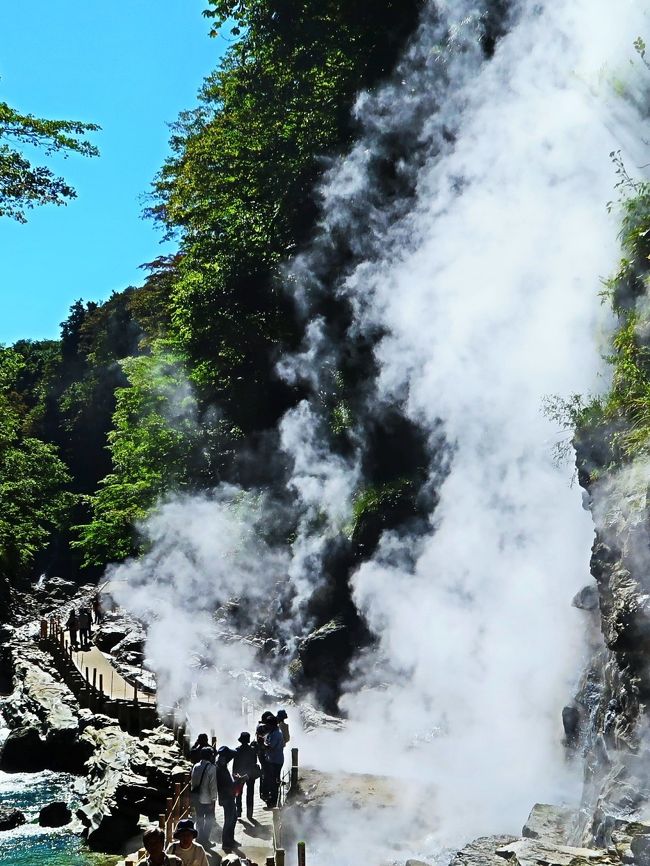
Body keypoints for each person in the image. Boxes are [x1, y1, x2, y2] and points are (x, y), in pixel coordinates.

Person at [191, 745, 218, 847]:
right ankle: (205, 840)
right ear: (210, 756)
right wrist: (213, 800)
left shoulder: (196, 766)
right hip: (207, 799)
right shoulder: (211, 768)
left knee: (199, 819)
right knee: (210, 820)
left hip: (197, 798)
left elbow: (193, 783)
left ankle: (199, 838)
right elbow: (213, 786)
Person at [215, 745, 238, 851]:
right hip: (226, 798)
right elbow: (227, 786)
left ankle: (231, 839)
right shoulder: (220, 769)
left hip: (228, 797)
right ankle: (226, 843)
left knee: (233, 818)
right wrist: (238, 781)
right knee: (229, 820)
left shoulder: (221, 767)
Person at [233, 732, 259, 820]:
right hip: (250, 774)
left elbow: (235, 764)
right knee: (250, 794)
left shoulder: (237, 750)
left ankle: (238, 811)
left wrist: (235, 774)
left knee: (238, 793)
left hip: (240, 774)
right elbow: (255, 762)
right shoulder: (252, 750)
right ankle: (249, 813)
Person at [263, 715, 284, 808]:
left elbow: (270, 747)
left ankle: (274, 800)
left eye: (268, 724)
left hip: (275, 760)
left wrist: (262, 743)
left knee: (273, 781)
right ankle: (273, 798)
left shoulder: (276, 734)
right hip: (273, 759)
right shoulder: (273, 732)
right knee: (272, 780)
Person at [254, 723, 269, 805]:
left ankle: (263, 793)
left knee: (263, 777)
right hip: (264, 760)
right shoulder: (261, 741)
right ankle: (264, 793)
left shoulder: (259, 740)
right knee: (265, 777)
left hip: (262, 760)